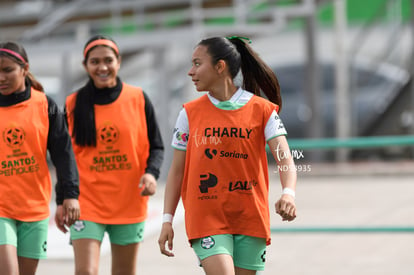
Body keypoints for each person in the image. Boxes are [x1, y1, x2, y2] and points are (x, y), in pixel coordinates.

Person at [158, 36, 297, 275]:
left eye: (197, 63)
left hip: (250, 216)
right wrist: (167, 219)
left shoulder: (262, 110)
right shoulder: (188, 114)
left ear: (220, 67)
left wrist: (288, 193)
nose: (191, 72)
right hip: (206, 217)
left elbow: (285, 158)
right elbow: (177, 171)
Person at [65, 35, 164, 275]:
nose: (102, 67)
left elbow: (157, 146)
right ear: (85, 66)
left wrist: (151, 174)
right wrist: (67, 195)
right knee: (86, 271)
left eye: (108, 60)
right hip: (86, 203)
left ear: (118, 62)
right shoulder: (72, 103)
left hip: (129, 201)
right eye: (95, 61)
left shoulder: (138, 98)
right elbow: (64, 154)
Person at [0, 41, 80, 275]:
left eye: (7, 70)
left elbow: (63, 154)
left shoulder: (46, 106)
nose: (1, 77)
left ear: (24, 69)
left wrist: (69, 196)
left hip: (34, 207)